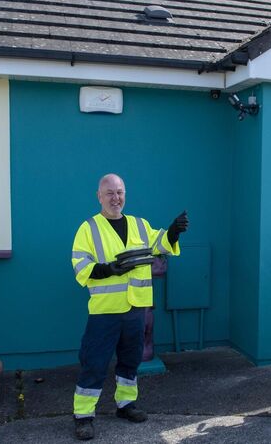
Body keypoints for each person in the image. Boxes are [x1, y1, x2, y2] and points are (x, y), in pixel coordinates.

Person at [70, 173, 188, 440]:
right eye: (110, 193)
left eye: (120, 192)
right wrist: (108, 269)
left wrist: (173, 231)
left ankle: (126, 405)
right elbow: (80, 265)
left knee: (130, 360)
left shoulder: (140, 224)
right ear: (99, 196)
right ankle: (83, 416)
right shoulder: (88, 228)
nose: (116, 198)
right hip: (105, 310)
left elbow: (159, 245)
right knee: (94, 362)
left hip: (136, 308)